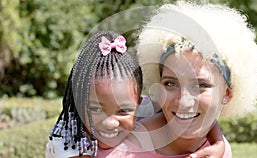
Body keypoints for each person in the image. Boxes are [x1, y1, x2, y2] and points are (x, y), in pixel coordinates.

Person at [45, 30, 226, 158]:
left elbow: (191, 113)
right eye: (95, 108)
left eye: (123, 111)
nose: (110, 122)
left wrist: (219, 143)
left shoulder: (146, 106)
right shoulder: (68, 141)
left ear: (138, 103)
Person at [132, 1, 257, 157]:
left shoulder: (218, 151)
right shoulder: (122, 146)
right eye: (170, 83)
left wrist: (218, 142)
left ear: (227, 94)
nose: (184, 101)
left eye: (201, 85)